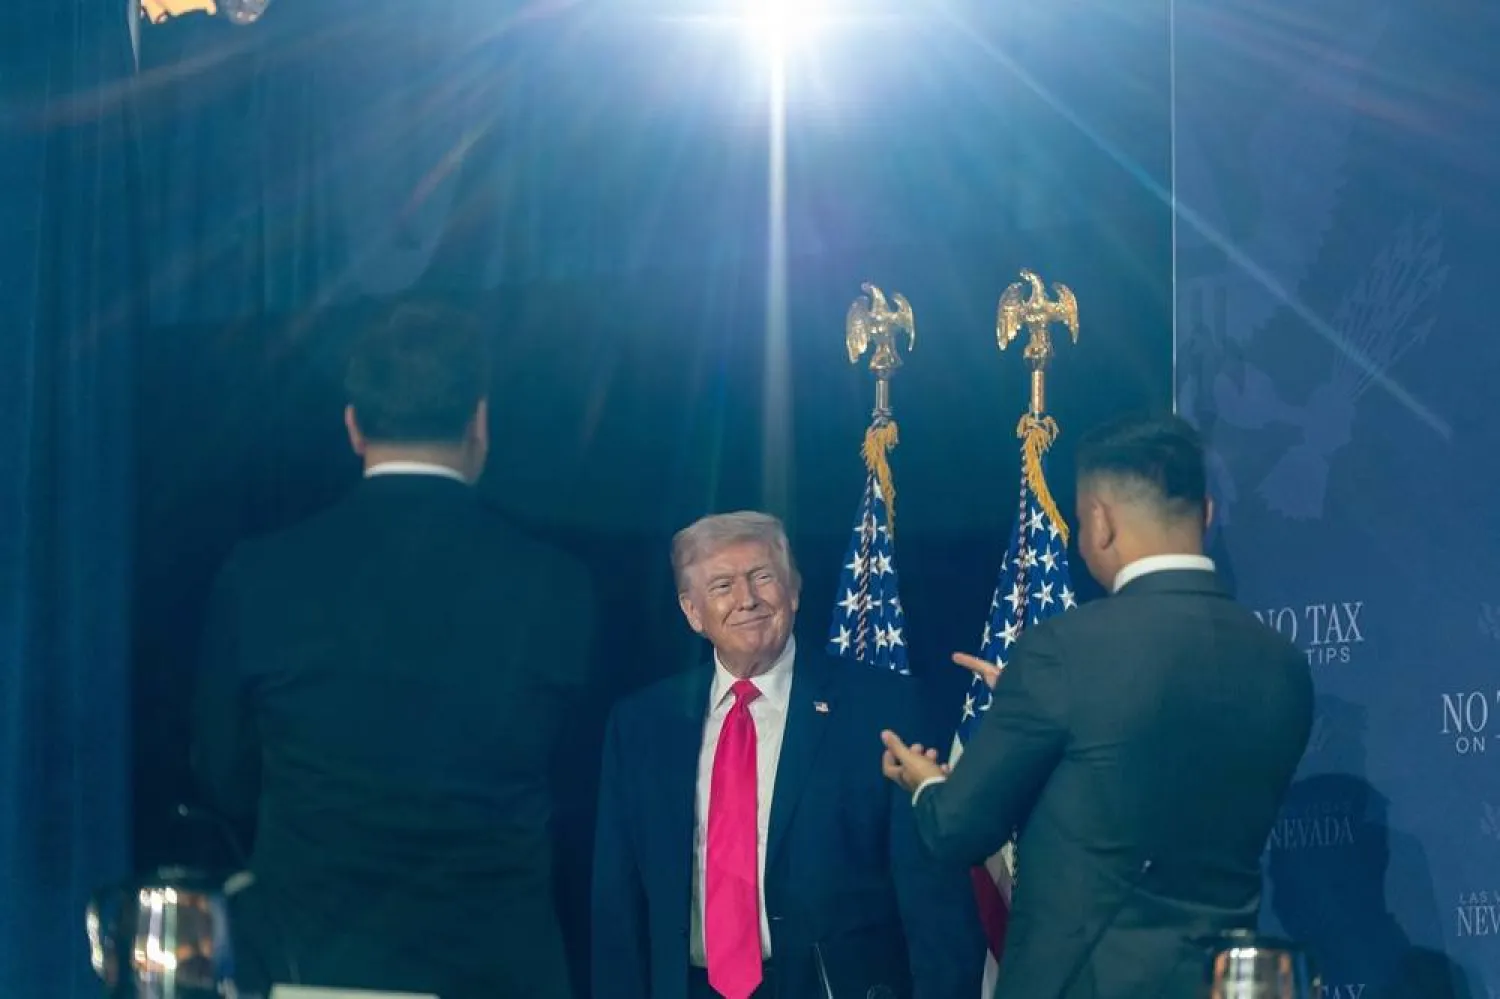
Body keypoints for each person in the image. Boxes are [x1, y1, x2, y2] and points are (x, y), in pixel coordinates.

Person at [191, 303, 593, 999]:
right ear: (480, 422)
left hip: (309, 964)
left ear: (353, 425)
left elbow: (220, 772)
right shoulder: (557, 585)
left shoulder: (260, 576)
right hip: (500, 968)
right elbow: (582, 784)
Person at [880, 413, 1314, 998]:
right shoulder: (1280, 661)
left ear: (1102, 523)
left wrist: (928, 784)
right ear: (1207, 515)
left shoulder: (1064, 650)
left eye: (1081, 521)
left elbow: (958, 828)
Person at [592, 511, 986, 999]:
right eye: (722, 585)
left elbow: (933, 895)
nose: (748, 599)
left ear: (794, 591)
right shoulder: (641, 726)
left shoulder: (883, 708)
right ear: (692, 612)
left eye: (762, 577)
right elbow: (617, 904)